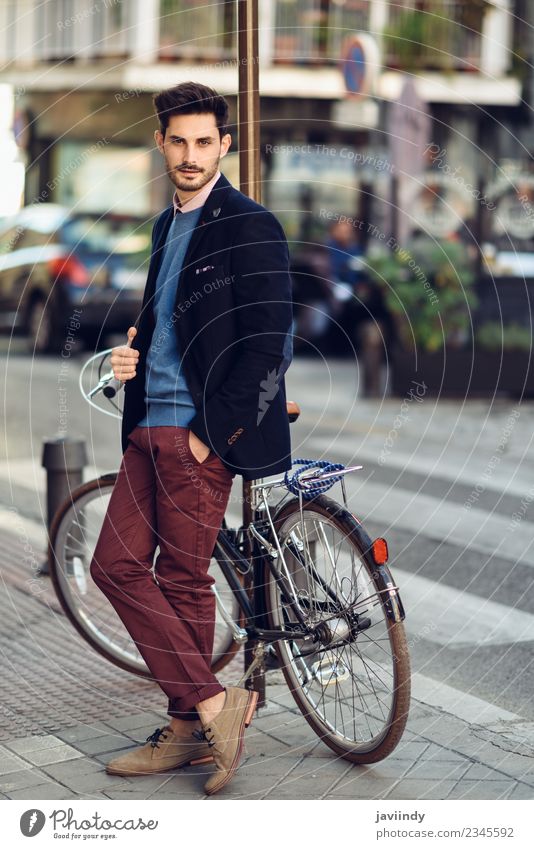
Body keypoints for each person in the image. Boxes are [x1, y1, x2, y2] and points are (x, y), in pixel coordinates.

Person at [89, 82, 293, 796]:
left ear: (225, 145)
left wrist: (210, 436)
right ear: (160, 142)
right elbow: (165, 325)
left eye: (204, 141)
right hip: (148, 426)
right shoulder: (163, 227)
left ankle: (190, 726)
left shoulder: (247, 223)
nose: (190, 155)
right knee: (112, 566)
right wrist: (131, 357)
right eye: (178, 140)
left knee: (180, 578)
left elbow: (270, 344)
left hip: (198, 437)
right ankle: (213, 705)